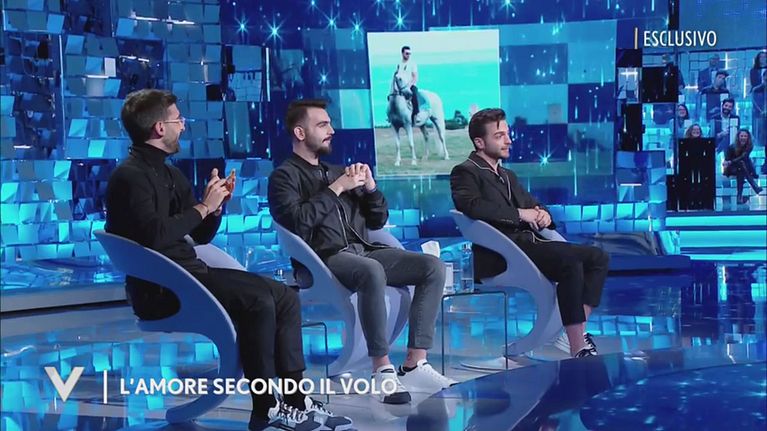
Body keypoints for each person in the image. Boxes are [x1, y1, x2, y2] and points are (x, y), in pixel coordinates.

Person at [105, 90, 351, 431]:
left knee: (284, 296)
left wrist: (215, 208)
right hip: (161, 288)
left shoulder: (170, 174)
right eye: (178, 120)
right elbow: (155, 237)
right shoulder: (129, 177)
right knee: (257, 300)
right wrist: (202, 206)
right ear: (160, 128)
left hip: (191, 273)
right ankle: (265, 407)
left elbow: (200, 235)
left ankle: (295, 399)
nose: (183, 126)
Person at [268, 99, 456, 404]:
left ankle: (414, 363)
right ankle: (381, 369)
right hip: (323, 259)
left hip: (363, 251)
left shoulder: (336, 171)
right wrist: (337, 189)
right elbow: (298, 222)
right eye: (322, 125)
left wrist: (370, 188)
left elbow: (377, 221)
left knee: (432, 267)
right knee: (371, 270)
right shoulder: (284, 177)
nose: (331, 130)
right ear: (300, 133)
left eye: (330, 123)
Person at [449, 108, 609, 358]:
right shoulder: (465, 171)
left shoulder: (507, 175)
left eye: (507, 134)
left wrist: (543, 214)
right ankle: (577, 346)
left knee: (598, 258)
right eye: (499, 136)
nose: (508, 140)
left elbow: (532, 204)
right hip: (501, 253)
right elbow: (472, 206)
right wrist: (521, 214)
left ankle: (572, 333)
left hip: (530, 244)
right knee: (569, 262)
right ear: (479, 142)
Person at [723, 129, 763, 204]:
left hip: (741, 168)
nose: (743, 138)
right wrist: (731, 162)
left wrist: (732, 161)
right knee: (741, 165)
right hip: (731, 168)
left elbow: (744, 157)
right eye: (741, 136)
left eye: (745, 136)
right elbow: (727, 160)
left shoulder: (749, 146)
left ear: (748, 137)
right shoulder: (731, 147)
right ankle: (754, 186)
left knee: (741, 169)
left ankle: (739, 197)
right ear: (738, 137)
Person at [392, 45, 420, 120]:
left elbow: (415, 77)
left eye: (409, 54)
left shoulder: (412, 64)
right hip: (401, 86)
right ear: (402, 53)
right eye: (407, 53)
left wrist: (409, 85)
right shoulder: (399, 64)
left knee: (414, 95)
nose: (408, 55)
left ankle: (416, 114)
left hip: (410, 85)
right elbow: (397, 76)